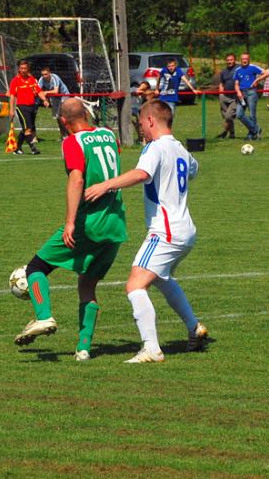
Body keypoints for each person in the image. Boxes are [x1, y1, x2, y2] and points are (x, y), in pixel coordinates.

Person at [84, 99, 209, 363]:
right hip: (185, 229)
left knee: (134, 285)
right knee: (161, 279)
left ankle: (151, 348)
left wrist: (106, 185)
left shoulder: (155, 147)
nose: (140, 126)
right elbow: (194, 170)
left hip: (165, 231)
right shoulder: (181, 149)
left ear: (151, 120)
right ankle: (194, 328)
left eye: (140, 121)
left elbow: (142, 174)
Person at [13, 98, 127, 361]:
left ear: (63, 121)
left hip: (90, 223)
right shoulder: (109, 135)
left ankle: (44, 316)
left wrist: (70, 222)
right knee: (87, 284)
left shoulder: (72, 142)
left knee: (36, 268)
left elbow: (77, 178)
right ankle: (84, 349)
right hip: (116, 224)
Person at [9, 59, 49, 155]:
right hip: (21, 107)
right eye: (21, 68)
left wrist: (45, 100)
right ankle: (33, 149)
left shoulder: (31, 79)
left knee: (27, 128)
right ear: (19, 69)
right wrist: (11, 110)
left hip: (32, 106)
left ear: (28, 69)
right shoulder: (15, 81)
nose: (23, 70)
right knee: (28, 129)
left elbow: (39, 91)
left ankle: (17, 148)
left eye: (25, 68)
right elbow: (12, 96)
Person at [234, 53, 268, 140]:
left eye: (246, 59)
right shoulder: (238, 70)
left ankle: (251, 134)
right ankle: (256, 129)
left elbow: (266, 73)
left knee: (252, 115)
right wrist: (238, 91)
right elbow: (236, 83)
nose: (244, 61)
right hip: (241, 94)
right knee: (239, 114)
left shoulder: (253, 67)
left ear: (249, 59)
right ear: (240, 60)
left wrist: (257, 79)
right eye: (243, 59)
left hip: (251, 92)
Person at [37, 66, 71, 139]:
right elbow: (38, 91)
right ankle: (63, 136)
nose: (44, 76)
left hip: (63, 96)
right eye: (42, 74)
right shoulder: (41, 79)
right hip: (54, 98)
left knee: (63, 117)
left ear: (50, 73)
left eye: (46, 74)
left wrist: (46, 92)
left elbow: (56, 91)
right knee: (57, 117)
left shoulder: (55, 78)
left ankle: (70, 134)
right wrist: (44, 100)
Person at [217, 53, 239, 139]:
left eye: (231, 60)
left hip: (235, 97)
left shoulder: (238, 69)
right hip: (224, 96)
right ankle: (232, 134)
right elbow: (221, 84)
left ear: (234, 60)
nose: (229, 62)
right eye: (228, 60)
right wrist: (220, 95)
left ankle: (224, 132)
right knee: (227, 116)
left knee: (228, 116)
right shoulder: (223, 71)